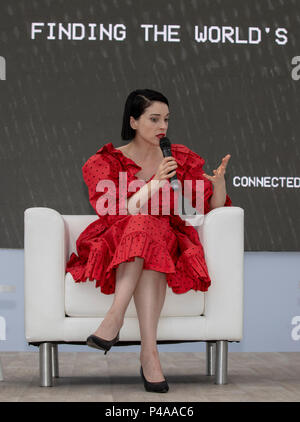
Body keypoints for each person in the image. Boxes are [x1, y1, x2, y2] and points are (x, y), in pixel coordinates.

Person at [65, 88, 232, 393]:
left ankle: (114, 324)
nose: (162, 127)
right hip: (120, 235)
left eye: (166, 119)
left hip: (166, 239)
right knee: (143, 224)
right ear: (133, 121)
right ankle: (149, 354)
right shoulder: (107, 161)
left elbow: (213, 209)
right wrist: (155, 182)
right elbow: (121, 210)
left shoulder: (179, 157)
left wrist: (218, 185)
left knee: (153, 231)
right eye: (154, 119)